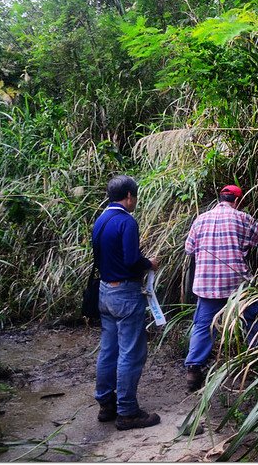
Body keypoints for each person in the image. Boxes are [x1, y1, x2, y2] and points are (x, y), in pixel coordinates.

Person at [184, 184, 258, 391]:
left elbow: (189, 249)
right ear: (238, 201)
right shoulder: (242, 218)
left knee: (204, 327)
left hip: (206, 285)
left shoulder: (200, 219)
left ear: (220, 198)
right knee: (254, 317)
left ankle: (193, 370)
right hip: (237, 284)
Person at [92, 175, 161, 430]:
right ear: (129, 196)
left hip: (104, 292)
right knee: (131, 352)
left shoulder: (100, 220)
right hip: (124, 293)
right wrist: (149, 264)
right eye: (135, 197)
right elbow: (132, 259)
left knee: (108, 350)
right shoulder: (126, 222)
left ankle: (106, 404)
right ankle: (128, 411)